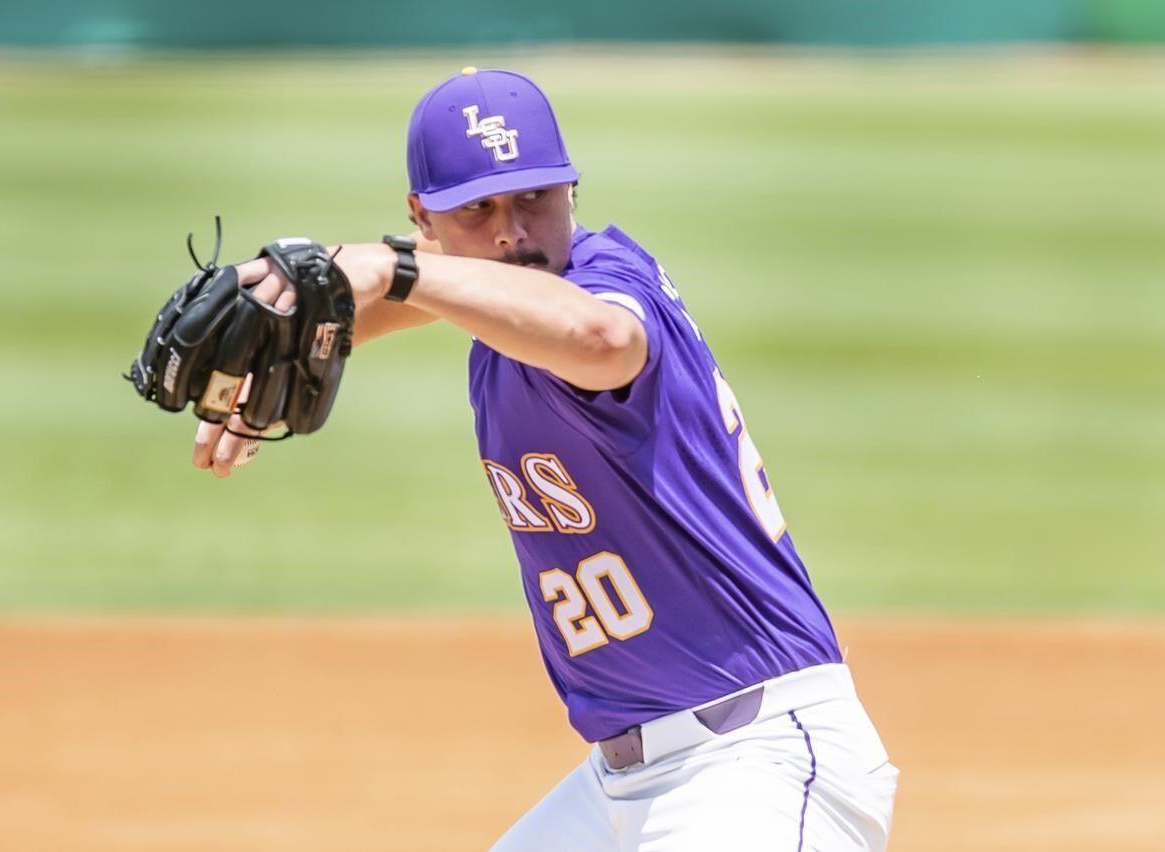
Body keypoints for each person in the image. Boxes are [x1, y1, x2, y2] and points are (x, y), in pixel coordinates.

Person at [192, 67, 898, 850]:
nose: (512, 232)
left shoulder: (605, 288)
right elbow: (412, 302)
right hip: (622, 786)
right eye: (478, 209)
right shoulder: (501, 320)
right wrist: (298, 337)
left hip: (754, 760)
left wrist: (397, 266)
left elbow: (600, 340)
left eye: (534, 197)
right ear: (422, 216)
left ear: (572, 192)